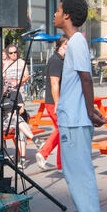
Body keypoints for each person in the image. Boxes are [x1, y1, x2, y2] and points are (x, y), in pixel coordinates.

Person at [53, 0, 107, 212]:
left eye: (58, 9)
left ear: (67, 16)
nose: (54, 13)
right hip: (71, 118)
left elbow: (86, 79)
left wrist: (89, 111)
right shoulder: (74, 42)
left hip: (76, 120)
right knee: (73, 172)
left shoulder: (76, 42)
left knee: (80, 173)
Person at [36, 35, 68, 171]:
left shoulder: (61, 59)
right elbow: (54, 83)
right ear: (63, 45)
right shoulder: (56, 61)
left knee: (62, 131)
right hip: (54, 102)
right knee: (62, 129)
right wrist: (57, 104)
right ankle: (43, 153)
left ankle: (62, 165)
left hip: (56, 101)